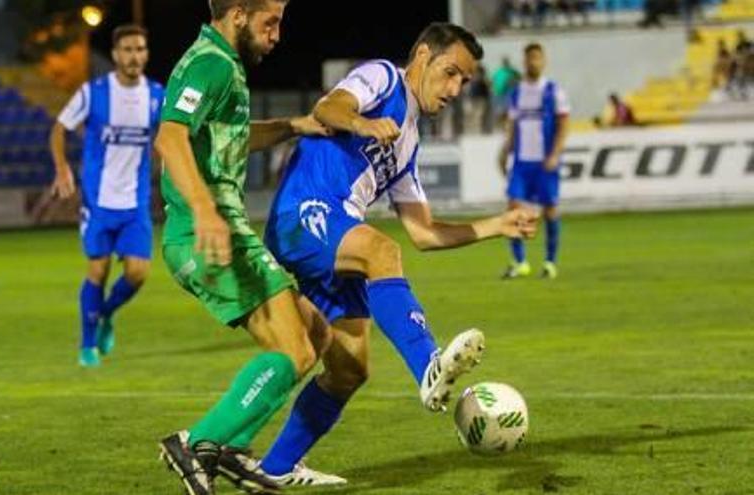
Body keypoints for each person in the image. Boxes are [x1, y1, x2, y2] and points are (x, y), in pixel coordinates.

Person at [255, 23, 539, 486]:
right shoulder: (383, 78)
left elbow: (424, 233)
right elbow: (329, 108)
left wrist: (495, 225)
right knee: (380, 248)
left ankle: (276, 468)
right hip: (304, 213)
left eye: (464, 83)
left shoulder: (408, 143)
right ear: (423, 56)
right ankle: (429, 365)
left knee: (348, 369)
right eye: (450, 74)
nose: (454, 90)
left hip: (338, 235)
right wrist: (364, 122)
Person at [152, 1, 335, 494]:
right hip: (205, 231)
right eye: (269, 22)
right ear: (237, 14)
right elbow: (170, 140)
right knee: (295, 349)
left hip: (219, 228)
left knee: (316, 334)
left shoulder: (222, 64)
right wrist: (206, 210)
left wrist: (292, 127)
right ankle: (196, 444)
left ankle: (229, 447)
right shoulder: (210, 64)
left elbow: (228, 140)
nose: (277, 34)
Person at [49, 24, 164, 367]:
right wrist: (62, 168)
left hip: (135, 203)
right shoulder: (94, 92)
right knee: (97, 271)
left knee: (138, 273)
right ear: (115, 54)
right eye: (127, 49)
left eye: (140, 49)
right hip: (98, 202)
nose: (134, 56)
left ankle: (105, 314)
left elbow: (173, 135)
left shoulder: (158, 95)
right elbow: (59, 129)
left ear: (146, 54)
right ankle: (87, 345)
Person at [499, 42, 570, 280]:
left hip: (544, 163)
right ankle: (520, 263)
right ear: (525, 61)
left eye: (538, 58)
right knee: (512, 209)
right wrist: (504, 151)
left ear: (544, 61)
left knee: (550, 211)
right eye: (530, 59)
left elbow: (564, 125)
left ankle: (550, 262)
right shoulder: (517, 92)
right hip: (521, 163)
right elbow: (511, 127)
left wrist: (555, 154)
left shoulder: (553, 91)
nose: (534, 63)